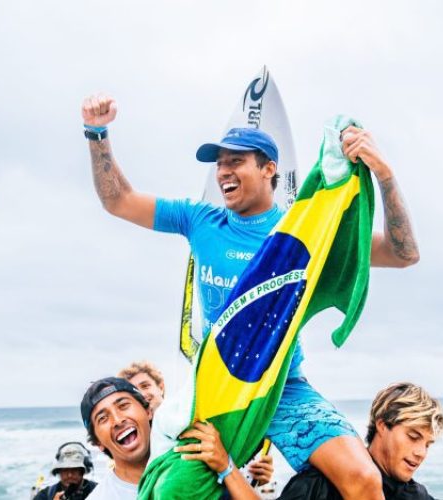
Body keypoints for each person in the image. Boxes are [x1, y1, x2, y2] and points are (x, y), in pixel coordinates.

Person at [82, 93, 420, 500]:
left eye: (235, 161)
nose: (223, 171)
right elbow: (118, 201)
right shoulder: (200, 219)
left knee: (364, 480)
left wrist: (383, 175)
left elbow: (404, 255)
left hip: (284, 385)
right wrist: (96, 132)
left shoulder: (302, 232)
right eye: (219, 163)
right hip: (220, 387)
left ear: (269, 168)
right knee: (175, 491)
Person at [81, 377, 260, 500]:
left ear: (148, 411)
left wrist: (226, 467)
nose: (118, 420)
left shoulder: (195, 456)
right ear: (98, 443)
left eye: (123, 405)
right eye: (103, 418)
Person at [278, 382, 443, 500]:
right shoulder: (320, 484)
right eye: (413, 437)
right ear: (382, 425)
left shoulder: (417, 495)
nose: (421, 453)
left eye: (427, 444)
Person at [117, 360, 274, 486]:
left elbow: (225, 465)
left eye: (145, 386)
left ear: (161, 387)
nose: (142, 394)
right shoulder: (131, 447)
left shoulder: (194, 417)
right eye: (134, 391)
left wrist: (257, 479)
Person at [33, 442, 97, 500]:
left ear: (83, 471)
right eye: (65, 470)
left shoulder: (98, 490)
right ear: (59, 471)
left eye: (74, 469)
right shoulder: (45, 495)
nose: (70, 475)